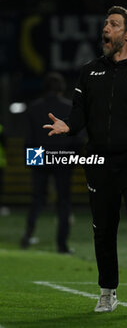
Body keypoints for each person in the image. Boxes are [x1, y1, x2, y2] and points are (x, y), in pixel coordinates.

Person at [43, 6, 127, 314]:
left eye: (113, 24)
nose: (105, 29)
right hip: (98, 160)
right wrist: (68, 125)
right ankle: (107, 291)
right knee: (103, 228)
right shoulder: (89, 71)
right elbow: (79, 113)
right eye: (105, 24)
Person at [21, 72, 75, 253]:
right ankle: (62, 244)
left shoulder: (34, 107)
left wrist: (31, 162)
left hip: (39, 156)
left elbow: (29, 138)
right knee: (64, 201)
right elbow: (77, 137)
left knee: (37, 199)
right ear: (62, 88)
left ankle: (27, 236)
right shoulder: (70, 107)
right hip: (63, 157)